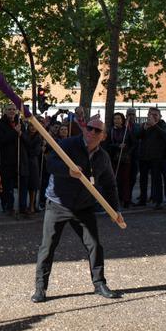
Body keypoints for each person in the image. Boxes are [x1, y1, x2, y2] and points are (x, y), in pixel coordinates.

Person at [31, 117, 125, 303]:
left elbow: (109, 185)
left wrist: (116, 210)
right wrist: (68, 171)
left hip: (83, 207)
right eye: (89, 128)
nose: (91, 132)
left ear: (103, 136)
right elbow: (50, 164)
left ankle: (99, 284)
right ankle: (40, 288)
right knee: (47, 247)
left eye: (97, 131)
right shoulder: (67, 144)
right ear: (84, 129)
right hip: (58, 203)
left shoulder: (102, 157)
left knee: (95, 245)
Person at [0, 104, 31, 216]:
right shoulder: (1, 124)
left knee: (23, 184)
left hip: (22, 158)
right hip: (9, 160)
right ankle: (10, 207)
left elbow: (27, 140)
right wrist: (14, 132)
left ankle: (23, 206)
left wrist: (20, 133)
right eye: (9, 109)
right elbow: (2, 140)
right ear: (5, 111)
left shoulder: (20, 123)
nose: (11, 111)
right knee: (9, 185)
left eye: (13, 109)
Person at [138, 107, 166, 209]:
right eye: (150, 114)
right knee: (143, 179)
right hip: (144, 157)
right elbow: (137, 137)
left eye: (155, 115)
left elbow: (165, 136)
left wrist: (154, 125)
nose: (152, 117)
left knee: (157, 180)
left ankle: (158, 201)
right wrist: (143, 129)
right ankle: (142, 199)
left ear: (160, 116)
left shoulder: (163, 125)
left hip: (157, 157)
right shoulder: (145, 126)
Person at [104, 112, 134, 208]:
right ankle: (115, 199)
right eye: (115, 119)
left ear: (122, 120)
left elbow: (133, 144)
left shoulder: (127, 131)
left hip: (125, 159)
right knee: (115, 179)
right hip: (114, 158)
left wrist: (128, 151)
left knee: (125, 179)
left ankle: (126, 199)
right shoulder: (110, 131)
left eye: (119, 119)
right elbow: (106, 145)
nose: (116, 120)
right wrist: (117, 146)